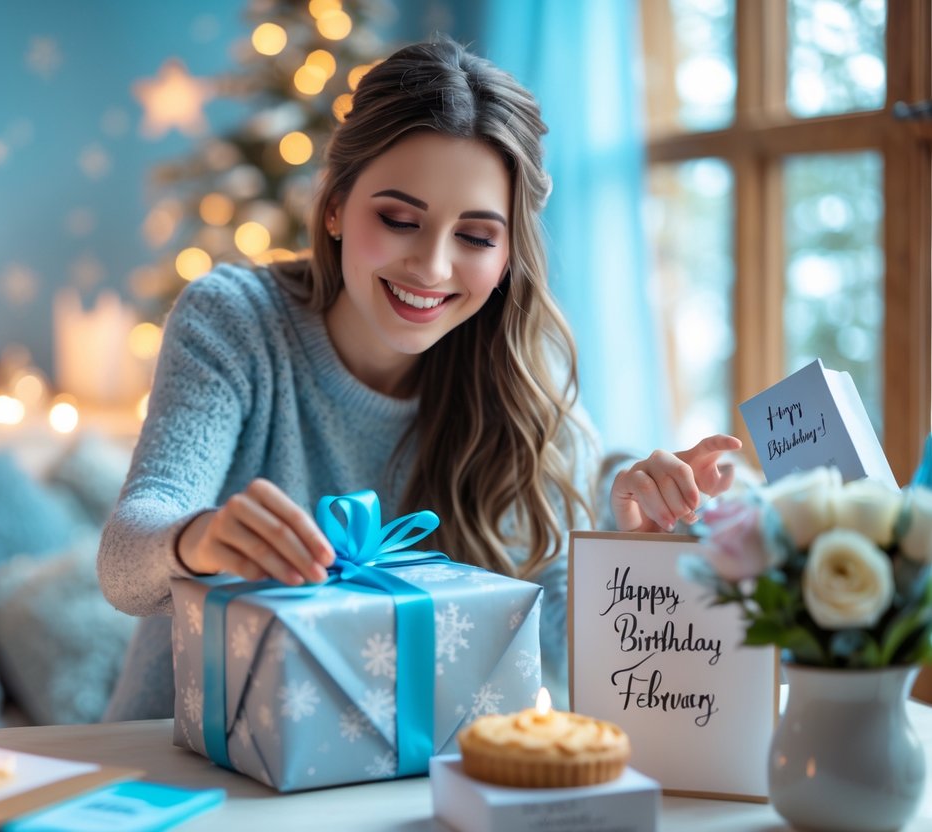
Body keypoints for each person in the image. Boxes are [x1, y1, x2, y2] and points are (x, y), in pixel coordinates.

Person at [97, 36, 740, 720]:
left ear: (508, 252)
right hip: (188, 766)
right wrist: (195, 538)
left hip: (409, 782)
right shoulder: (235, 323)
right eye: (398, 219)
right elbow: (124, 562)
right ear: (336, 205)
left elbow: (555, 639)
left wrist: (633, 562)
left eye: (474, 237)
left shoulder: (525, 379)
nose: (431, 268)